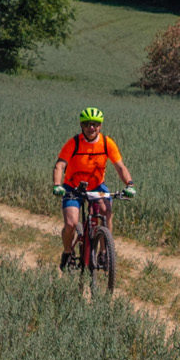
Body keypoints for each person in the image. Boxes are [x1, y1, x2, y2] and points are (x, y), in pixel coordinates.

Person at [52, 107, 134, 270]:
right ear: (81, 126)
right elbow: (60, 165)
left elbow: (120, 167)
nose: (91, 128)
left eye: (95, 124)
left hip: (96, 185)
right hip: (73, 187)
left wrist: (129, 184)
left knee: (106, 211)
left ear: (100, 126)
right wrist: (57, 185)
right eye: (87, 124)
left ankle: (104, 252)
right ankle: (67, 252)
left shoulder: (107, 143)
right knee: (71, 223)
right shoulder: (73, 143)